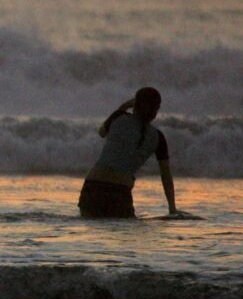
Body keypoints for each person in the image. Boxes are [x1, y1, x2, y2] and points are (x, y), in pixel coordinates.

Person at [78, 87, 183, 218]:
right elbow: (166, 176)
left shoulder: (118, 117)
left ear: (135, 104)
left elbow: (102, 132)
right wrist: (172, 208)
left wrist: (125, 105)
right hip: (120, 194)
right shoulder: (158, 137)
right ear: (156, 110)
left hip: (92, 187)